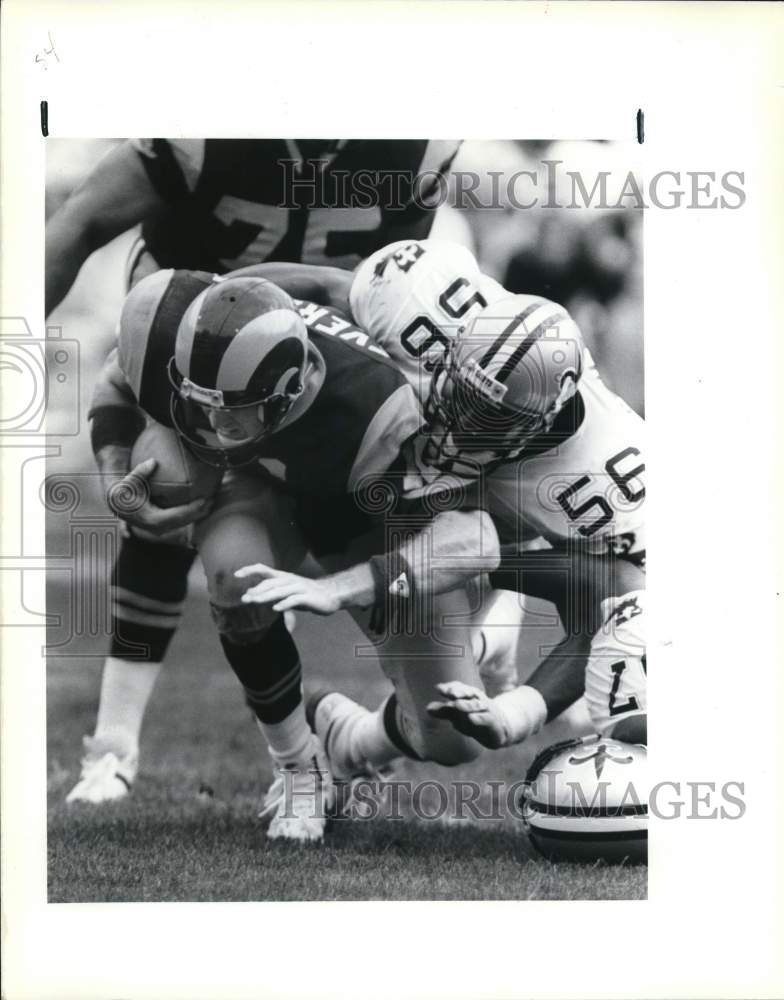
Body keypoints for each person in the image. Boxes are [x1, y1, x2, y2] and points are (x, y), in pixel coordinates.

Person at [55, 139, 461, 805]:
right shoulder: (179, 305)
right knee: (177, 497)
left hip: (335, 402)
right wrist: (114, 470)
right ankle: (121, 743)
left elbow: (471, 522)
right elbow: (85, 242)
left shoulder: (391, 404)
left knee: (452, 725)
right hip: (209, 354)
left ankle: (353, 739)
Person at [73, 271, 498, 840]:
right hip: (260, 492)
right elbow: (118, 379)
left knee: (453, 738)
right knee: (235, 578)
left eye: (234, 409)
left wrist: (342, 588)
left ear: (291, 388)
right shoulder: (172, 328)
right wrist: (113, 470)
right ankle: (298, 765)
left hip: (368, 521)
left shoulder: (381, 410)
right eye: (199, 401)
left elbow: (475, 539)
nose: (215, 422)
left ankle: (347, 736)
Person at [237, 238, 645, 780]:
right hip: (359, 477)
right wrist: (225, 301)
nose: (458, 417)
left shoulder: (609, 483)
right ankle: (489, 637)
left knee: (451, 732)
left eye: (489, 417)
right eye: (460, 388)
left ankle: (355, 736)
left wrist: (512, 715)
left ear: (541, 420)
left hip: (477, 532)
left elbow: (598, 613)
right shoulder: (423, 299)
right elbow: (322, 288)